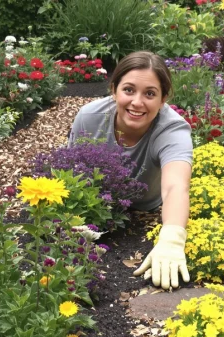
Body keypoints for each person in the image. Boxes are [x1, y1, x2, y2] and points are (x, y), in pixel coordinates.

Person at [68, 51, 193, 290]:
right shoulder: (90, 117)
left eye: (150, 94)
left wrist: (172, 239)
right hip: (97, 209)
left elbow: (176, 187)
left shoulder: (172, 130)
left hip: (146, 208)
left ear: (163, 99)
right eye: (128, 90)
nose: (137, 102)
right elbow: (72, 170)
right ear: (114, 90)